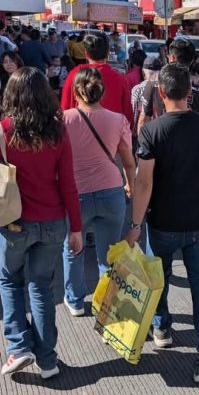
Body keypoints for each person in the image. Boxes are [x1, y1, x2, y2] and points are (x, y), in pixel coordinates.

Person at [0, 68, 83, 379]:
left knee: (9, 280)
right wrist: (76, 228)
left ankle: (19, 347)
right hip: (53, 222)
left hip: (13, 223)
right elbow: (69, 185)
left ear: (10, 96)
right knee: (41, 288)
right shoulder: (58, 133)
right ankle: (48, 361)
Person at [128, 64, 199, 383]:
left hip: (163, 223)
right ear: (189, 92)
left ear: (160, 93)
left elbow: (143, 183)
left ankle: (161, 328)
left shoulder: (152, 131)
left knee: (159, 277)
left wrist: (134, 224)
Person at [62, 68, 136, 317]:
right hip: (111, 193)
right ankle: (108, 302)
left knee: (74, 247)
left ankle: (74, 299)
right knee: (108, 254)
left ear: (75, 93)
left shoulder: (63, 120)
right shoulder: (118, 120)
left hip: (76, 196)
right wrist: (130, 185)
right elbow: (128, 160)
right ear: (101, 92)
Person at [61, 33, 134, 128]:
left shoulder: (74, 75)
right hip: (111, 136)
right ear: (108, 53)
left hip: (79, 134)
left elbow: (65, 109)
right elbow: (128, 117)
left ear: (86, 54)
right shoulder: (121, 80)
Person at [134, 57, 164, 134]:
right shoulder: (164, 87)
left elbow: (135, 113)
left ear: (143, 73)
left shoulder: (137, 89)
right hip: (160, 129)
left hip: (143, 132)